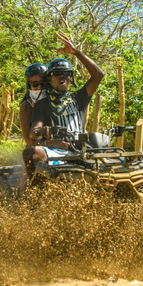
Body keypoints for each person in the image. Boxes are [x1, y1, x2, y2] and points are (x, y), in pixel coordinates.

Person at [22, 30, 104, 177]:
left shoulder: (79, 97)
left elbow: (99, 75)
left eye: (66, 73)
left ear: (71, 78)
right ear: (50, 79)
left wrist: (76, 52)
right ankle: (34, 195)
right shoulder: (42, 104)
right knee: (30, 153)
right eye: (57, 73)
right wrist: (41, 132)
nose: (62, 76)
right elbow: (34, 131)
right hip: (55, 151)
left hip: (81, 149)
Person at [19, 63, 48, 146]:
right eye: (35, 84)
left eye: (43, 83)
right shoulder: (26, 106)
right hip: (38, 149)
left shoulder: (57, 101)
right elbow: (28, 139)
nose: (39, 87)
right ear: (29, 85)